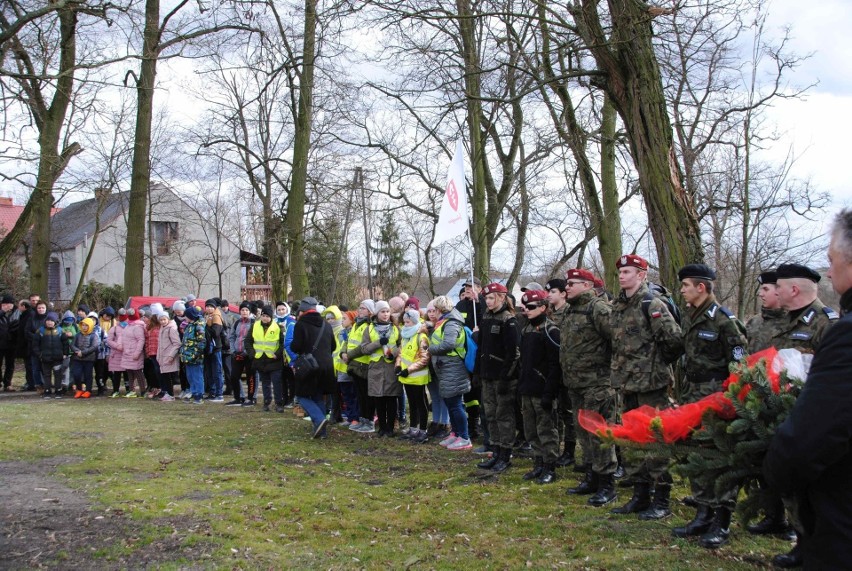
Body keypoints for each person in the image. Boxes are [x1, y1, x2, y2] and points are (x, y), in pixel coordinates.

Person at [764, 209, 852, 570]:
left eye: (832, 260)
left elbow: (813, 436)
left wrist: (776, 469)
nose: (829, 271)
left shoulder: (840, 332)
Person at [672, 264, 748, 548]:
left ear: (700, 288)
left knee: (719, 456)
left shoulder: (723, 320)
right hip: (693, 394)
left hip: (717, 396)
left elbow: (740, 365)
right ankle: (703, 512)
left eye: (685, 286)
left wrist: (731, 401)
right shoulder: (692, 317)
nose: (682, 291)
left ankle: (722, 519)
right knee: (696, 453)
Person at [609, 254, 682, 518]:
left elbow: (674, 340)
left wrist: (656, 365)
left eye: (628, 271)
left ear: (641, 275)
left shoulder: (652, 303)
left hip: (652, 384)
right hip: (626, 383)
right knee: (633, 439)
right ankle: (640, 495)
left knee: (656, 440)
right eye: (621, 271)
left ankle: (661, 498)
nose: (622, 275)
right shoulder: (618, 305)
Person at [558, 269, 618, 506]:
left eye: (571, 284)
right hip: (575, 383)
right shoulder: (571, 310)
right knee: (584, 432)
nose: (567, 287)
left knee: (600, 434)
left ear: (586, 285)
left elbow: (616, 339)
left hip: (598, 384)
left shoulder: (598, 308)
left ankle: (607, 484)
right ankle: (591, 477)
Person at [517, 290, 561, 484]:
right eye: (525, 307)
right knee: (531, 430)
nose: (527, 310)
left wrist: (549, 393)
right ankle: (538, 463)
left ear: (543, 307)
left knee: (547, 430)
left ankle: (550, 465)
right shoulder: (526, 329)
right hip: (527, 387)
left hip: (543, 389)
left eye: (531, 307)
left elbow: (555, 365)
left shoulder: (551, 331)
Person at [475, 282, 520, 471]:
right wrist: (478, 372)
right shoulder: (486, 317)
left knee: (504, 416)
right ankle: (495, 451)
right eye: (486, 298)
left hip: (502, 377)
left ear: (502, 297)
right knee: (490, 414)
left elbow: (513, 353)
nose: (488, 301)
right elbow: (482, 347)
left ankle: (506, 454)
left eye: (492, 297)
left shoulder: (508, 320)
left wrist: (505, 377)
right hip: (487, 375)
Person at [427, 296, 472, 451]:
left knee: (456, 405)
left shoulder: (452, 323)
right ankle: (455, 433)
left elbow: (449, 344)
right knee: (450, 403)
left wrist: (430, 348)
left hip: (453, 368)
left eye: (434, 309)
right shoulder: (444, 322)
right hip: (446, 369)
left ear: (440, 310)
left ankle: (464, 437)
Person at [290, 297, 337, 438]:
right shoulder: (326, 324)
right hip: (327, 366)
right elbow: (333, 346)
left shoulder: (301, 324)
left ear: (302, 311)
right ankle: (322, 432)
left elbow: (296, 346)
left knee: (301, 395)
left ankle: (319, 419)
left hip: (309, 367)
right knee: (317, 397)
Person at [544, 277, 578, 470]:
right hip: (552, 370)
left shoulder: (569, 313)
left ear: (563, 294)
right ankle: (556, 447)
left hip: (567, 370)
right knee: (556, 411)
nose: (548, 295)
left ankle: (570, 451)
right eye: (548, 292)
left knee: (568, 412)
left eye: (553, 292)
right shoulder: (549, 314)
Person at [358, 300, 402, 437]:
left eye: (388, 311)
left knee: (391, 398)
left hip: (390, 367)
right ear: (377, 313)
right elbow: (364, 349)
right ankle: (382, 427)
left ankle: (390, 428)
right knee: (379, 399)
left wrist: (392, 353)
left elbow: (402, 346)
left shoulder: (395, 328)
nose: (386, 314)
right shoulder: (369, 329)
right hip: (376, 368)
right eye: (383, 312)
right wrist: (378, 343)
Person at [341, 300, 377, 433]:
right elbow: (348, 340)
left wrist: (348, 355)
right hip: (353, 364)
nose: (360, 310)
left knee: (366, 395)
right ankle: (362, 419)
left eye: (363, 308)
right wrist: (343, 353)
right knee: (359, 394)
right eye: (359, 308)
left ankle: (369, 421)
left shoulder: (369, 325)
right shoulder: (356, 324)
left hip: (363, 363)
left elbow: (363, 346)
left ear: (369, 311)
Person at [396, 309, 431, 443]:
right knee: (412, 403)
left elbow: (424, 359)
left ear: (415, 322)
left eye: (408, 322)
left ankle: (423, 431)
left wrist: (409, 370)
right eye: (404, 322)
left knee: (421, 403)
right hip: (406, 376)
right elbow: (401, 353)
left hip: (417, 376)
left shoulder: (421, 337)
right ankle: (413, 429)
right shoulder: (405, 336)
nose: (405, 324)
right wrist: (398, 366)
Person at [424, 300, 451, 441]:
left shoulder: (444, 326)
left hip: (441, 365)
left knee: (443, 396)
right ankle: (435, 421)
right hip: (429, 366)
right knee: (434, 395)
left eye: (434, 310)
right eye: (429, 311)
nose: (432, 314)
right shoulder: (424, 328)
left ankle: (444, 423)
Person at [252, 305, 286, 412]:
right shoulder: (255, 325)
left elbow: (282, 343)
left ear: (271, 317)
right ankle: (266, 403)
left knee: (277, 383)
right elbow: (248, 341)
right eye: (263, 315)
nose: (265, 318)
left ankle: (279, 404)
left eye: (267, 316)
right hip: (261, 359)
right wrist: (252, 353)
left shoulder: (277, 327)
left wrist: (278, 354)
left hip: (274, 360)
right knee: (265, 383)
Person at [34, 312, 70, 399]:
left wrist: (65, 353)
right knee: (46, 374)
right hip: (45, 358)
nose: (49, 322)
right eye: (48, 320)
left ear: (55, 321)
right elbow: (35, 344)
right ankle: (47, 391)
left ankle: (58, 390)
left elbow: (65, 343)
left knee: (58, 374)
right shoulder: (40, 331)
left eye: (52, 320)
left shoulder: (61, 331)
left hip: (58, 358)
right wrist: (39, 354)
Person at [226, 302, 255, 406]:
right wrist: (233, 350)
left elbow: (255, 340)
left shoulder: (254, 323)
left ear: (250, 312)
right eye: (242, 310)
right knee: (234, 376)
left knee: (250, 377)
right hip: (236, 353)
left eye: (246, 310)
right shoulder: (237, 322)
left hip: (249, 355)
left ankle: (251, 398)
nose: (244, 312)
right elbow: (232, 337)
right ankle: (238, 398)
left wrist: (247, 352)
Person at [335, 311, 360, 425]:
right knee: (346, 395)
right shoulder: (341, 333)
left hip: (350, 368)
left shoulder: (354, 332)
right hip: (341, 367)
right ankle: (350, 418)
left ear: (352, 320)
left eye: (344, 318)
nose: (342, 321)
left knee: (353, 394)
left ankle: (355, 418)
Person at [180, 307, 206, 404]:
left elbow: (202, 341)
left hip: (195, 355)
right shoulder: (189, 325)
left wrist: (197, 353)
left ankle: (199, 394)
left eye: (186, 316)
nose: (185, 318)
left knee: (197, 376)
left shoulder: (198, 326)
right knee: (190, 375)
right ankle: (193, 392)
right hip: (187, 355)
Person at [70, 317, 99, 398]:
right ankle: (79, 389)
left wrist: (82, 353)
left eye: (86, 325)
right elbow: (72, 345)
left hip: (89, 359)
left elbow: (94, 346)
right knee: (76, 374)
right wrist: (77, 351)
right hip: (77, 359)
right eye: (83, 325)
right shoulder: (78, 335)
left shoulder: (94, 335)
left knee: (88, 375)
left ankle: (88, 390)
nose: (84, 327)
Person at [203, 299, 226, 402]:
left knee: (217, 371)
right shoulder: (207, 316)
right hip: (208, 348)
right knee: (210, 371)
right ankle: (212, 393)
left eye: (211, 306)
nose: (209, 308)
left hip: (216, 347)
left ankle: (219, 393)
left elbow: (215, 333)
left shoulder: (216, 317)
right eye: (207, 306)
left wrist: (205, 327)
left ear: (215, 307)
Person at [155, 311, 180, 401]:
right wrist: (158, 356)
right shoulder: (162, 328)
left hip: (169, 356)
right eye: (161, 320)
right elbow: (160, 344)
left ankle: (170, 394)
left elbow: (177, 343)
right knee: (164, 376)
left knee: (168, 376)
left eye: (164, 319)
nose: (163, 321)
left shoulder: (171, 329)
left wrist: (171, 355)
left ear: (168, 319)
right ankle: (167, 393)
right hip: (162, 356)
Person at [122, 308, 146, 398]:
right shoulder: (128, 326)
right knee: (129, 372)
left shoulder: (138, 326)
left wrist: (137, 353)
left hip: (134, 352)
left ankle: (143, 390)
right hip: (127, 352)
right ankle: (132, 390)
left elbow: (141, 340)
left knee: (138, 372)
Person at [107, 309, 129, 396]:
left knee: (127, 374)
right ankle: (116, 390)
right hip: (116, 355)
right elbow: (109, 340)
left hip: (127, 354)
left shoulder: (130, 328)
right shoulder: (114, 329)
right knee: (117, 374)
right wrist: (117, 346)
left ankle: (129, 389)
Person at [0, 294, 19, 391]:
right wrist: (3, 311)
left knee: (10, 364)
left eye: (10, 303)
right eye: (6, 303)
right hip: (1, 342)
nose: (8, 306)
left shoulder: (16, 312)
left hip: (11, 343)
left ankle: (7, 383)